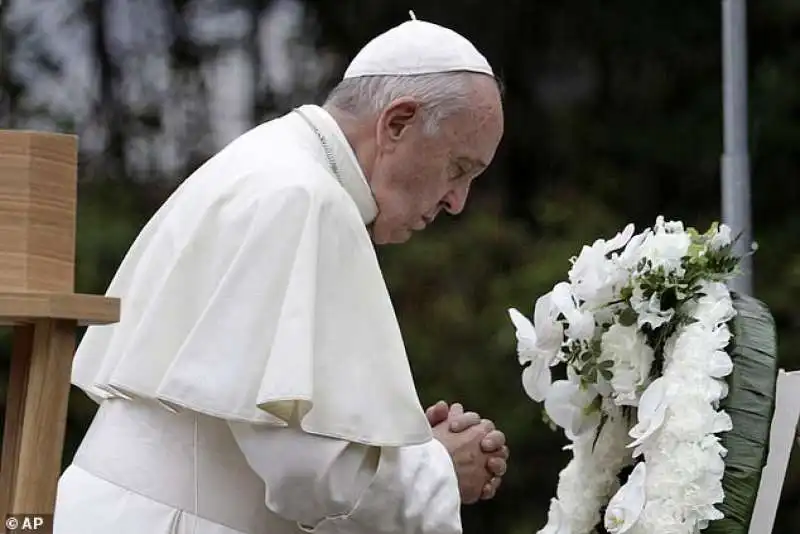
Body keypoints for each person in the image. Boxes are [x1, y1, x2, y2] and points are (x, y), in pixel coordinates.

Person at [54, 12, 508, 534]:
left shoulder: (265, 161)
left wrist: (388, 445)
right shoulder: (307, 198)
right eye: (459, 168)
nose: (457, 201)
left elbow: (266, 433)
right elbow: (305, 472)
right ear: (397, 123)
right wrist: (440, 470)